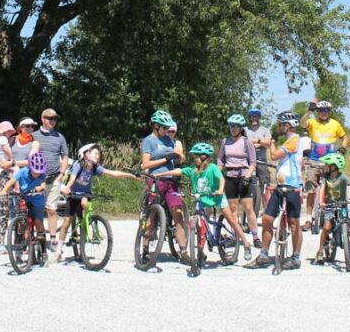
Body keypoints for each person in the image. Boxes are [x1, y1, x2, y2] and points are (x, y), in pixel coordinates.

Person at [157, 143, 254, 263]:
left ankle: (245, 243)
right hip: (203, 199)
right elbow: (178, 171)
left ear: (204, 157)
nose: (194, 159)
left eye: (196, 156)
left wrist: (220, 189)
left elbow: (221, 179)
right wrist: (159, 174)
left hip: (216, 197)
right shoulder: (193, 170)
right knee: (199, 224)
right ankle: (200, 252)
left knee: (232, 220)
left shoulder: (212, 167)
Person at [56, 143, 138, 261]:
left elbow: (112, 173)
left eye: (98, 154)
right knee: (66, 223)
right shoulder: (79, 165)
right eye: (95, 153)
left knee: (85, 203)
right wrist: (67, 187)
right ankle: (58, 250)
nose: (98, 156)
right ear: (85, 155)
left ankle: (90, 227)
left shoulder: (95, 168)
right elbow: (73, 178)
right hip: (73, 195)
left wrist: (130, 176)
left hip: (85, 195)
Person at [249, 111, 304, 269]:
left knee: (294, 223)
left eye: (281, 124)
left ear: (288, 125)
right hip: (280, 186)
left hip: (292, 186)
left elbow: (274, 156)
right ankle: (264, 255)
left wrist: (271, 142)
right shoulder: (289, 140)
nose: (279, 127)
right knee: (267, 219)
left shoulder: (294, 140)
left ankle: (296, 257)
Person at [140, 110, 188, 263]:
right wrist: (166, 159)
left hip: (172, 181)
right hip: (156, 180)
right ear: (155, 126)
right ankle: (145, 249)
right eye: (164, 127)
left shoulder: (169, 140)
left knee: (178, 214)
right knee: (152, 214)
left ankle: (183, 250)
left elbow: (179, 160)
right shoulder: (149, 141)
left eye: (168, 127)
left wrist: (179, 156)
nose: (167, 130)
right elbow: (146, 164)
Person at [301, 100, 348, 231]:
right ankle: (308, 219)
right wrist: (309, 111)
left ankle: (331, 215)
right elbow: (302, 123)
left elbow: (344, 137)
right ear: (318, 111)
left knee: (332, 189)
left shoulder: (335, 124)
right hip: (314, 160)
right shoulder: (313, 122)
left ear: (330, 112)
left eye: (326, 110)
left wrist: (343, 148)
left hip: (330, 161)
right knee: (310, 189)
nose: (324, 113)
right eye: (321, 110)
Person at [313, 153, 350, 265]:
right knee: (327, 227)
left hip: (342, 205)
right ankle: (320, 250)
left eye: (327, 164)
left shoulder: (342, 177)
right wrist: (322, 202)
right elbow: (322, 189)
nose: (325, 166)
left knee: (348, 226)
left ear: (333, 166)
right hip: (330, 206)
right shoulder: (325, 178)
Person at [218, 114, 259, 249]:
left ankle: (255, 236)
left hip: (244, 175)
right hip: (230, 176)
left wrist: (247, 176)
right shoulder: (225, 141)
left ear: (241, 128)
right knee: (233, 209)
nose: (233, 129)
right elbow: (220, 160)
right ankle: (235, 236)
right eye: (231, 126)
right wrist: (217, 173)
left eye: (236, 126)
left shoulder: (247, 142)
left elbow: (253, 162)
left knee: (248, 208)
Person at [33, 108, 70, 251]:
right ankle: (38, 236)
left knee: (51, 209)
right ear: (42, 119)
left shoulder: (60, 137)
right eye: (49, 118)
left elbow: (65, 156)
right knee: (36, 208)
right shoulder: (34, 136)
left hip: (54, 177)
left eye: (54, 118)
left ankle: (53, 239)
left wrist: (62, 173)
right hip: (37, 178)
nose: (52, 121)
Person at [1, 153, 50, 247]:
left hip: (37, 198)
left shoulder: (42, 175)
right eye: (35, 172)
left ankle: (43, 247)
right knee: (22, 219)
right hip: (24, 197)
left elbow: (43, 186)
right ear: (30, 168)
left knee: (38, 221)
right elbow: (12, 181)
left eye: (39, 172)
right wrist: (4, 190)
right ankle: (20, 241)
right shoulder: (22, 171)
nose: (37, 174)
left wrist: (40, 188)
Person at [246, 107, 273, 230]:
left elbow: (269, 143)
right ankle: (249, 219)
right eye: (252, 116)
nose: (254, 118)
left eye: (256, 116)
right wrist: (258, 143)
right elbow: (243, 143)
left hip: (262, 162)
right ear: (249, 118)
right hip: (248, 163)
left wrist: (256, 141)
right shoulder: (245, 130)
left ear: (259, 118)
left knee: (265, 189)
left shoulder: (265, 130)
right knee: (247, 189)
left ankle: (267, 216)